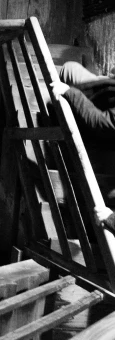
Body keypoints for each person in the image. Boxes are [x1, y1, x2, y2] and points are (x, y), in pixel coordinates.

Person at [51, 61, 115, 232]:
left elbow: (100, 123)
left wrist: (70, 93)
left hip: (101, 132)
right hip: (106, 100)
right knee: (69, 69)